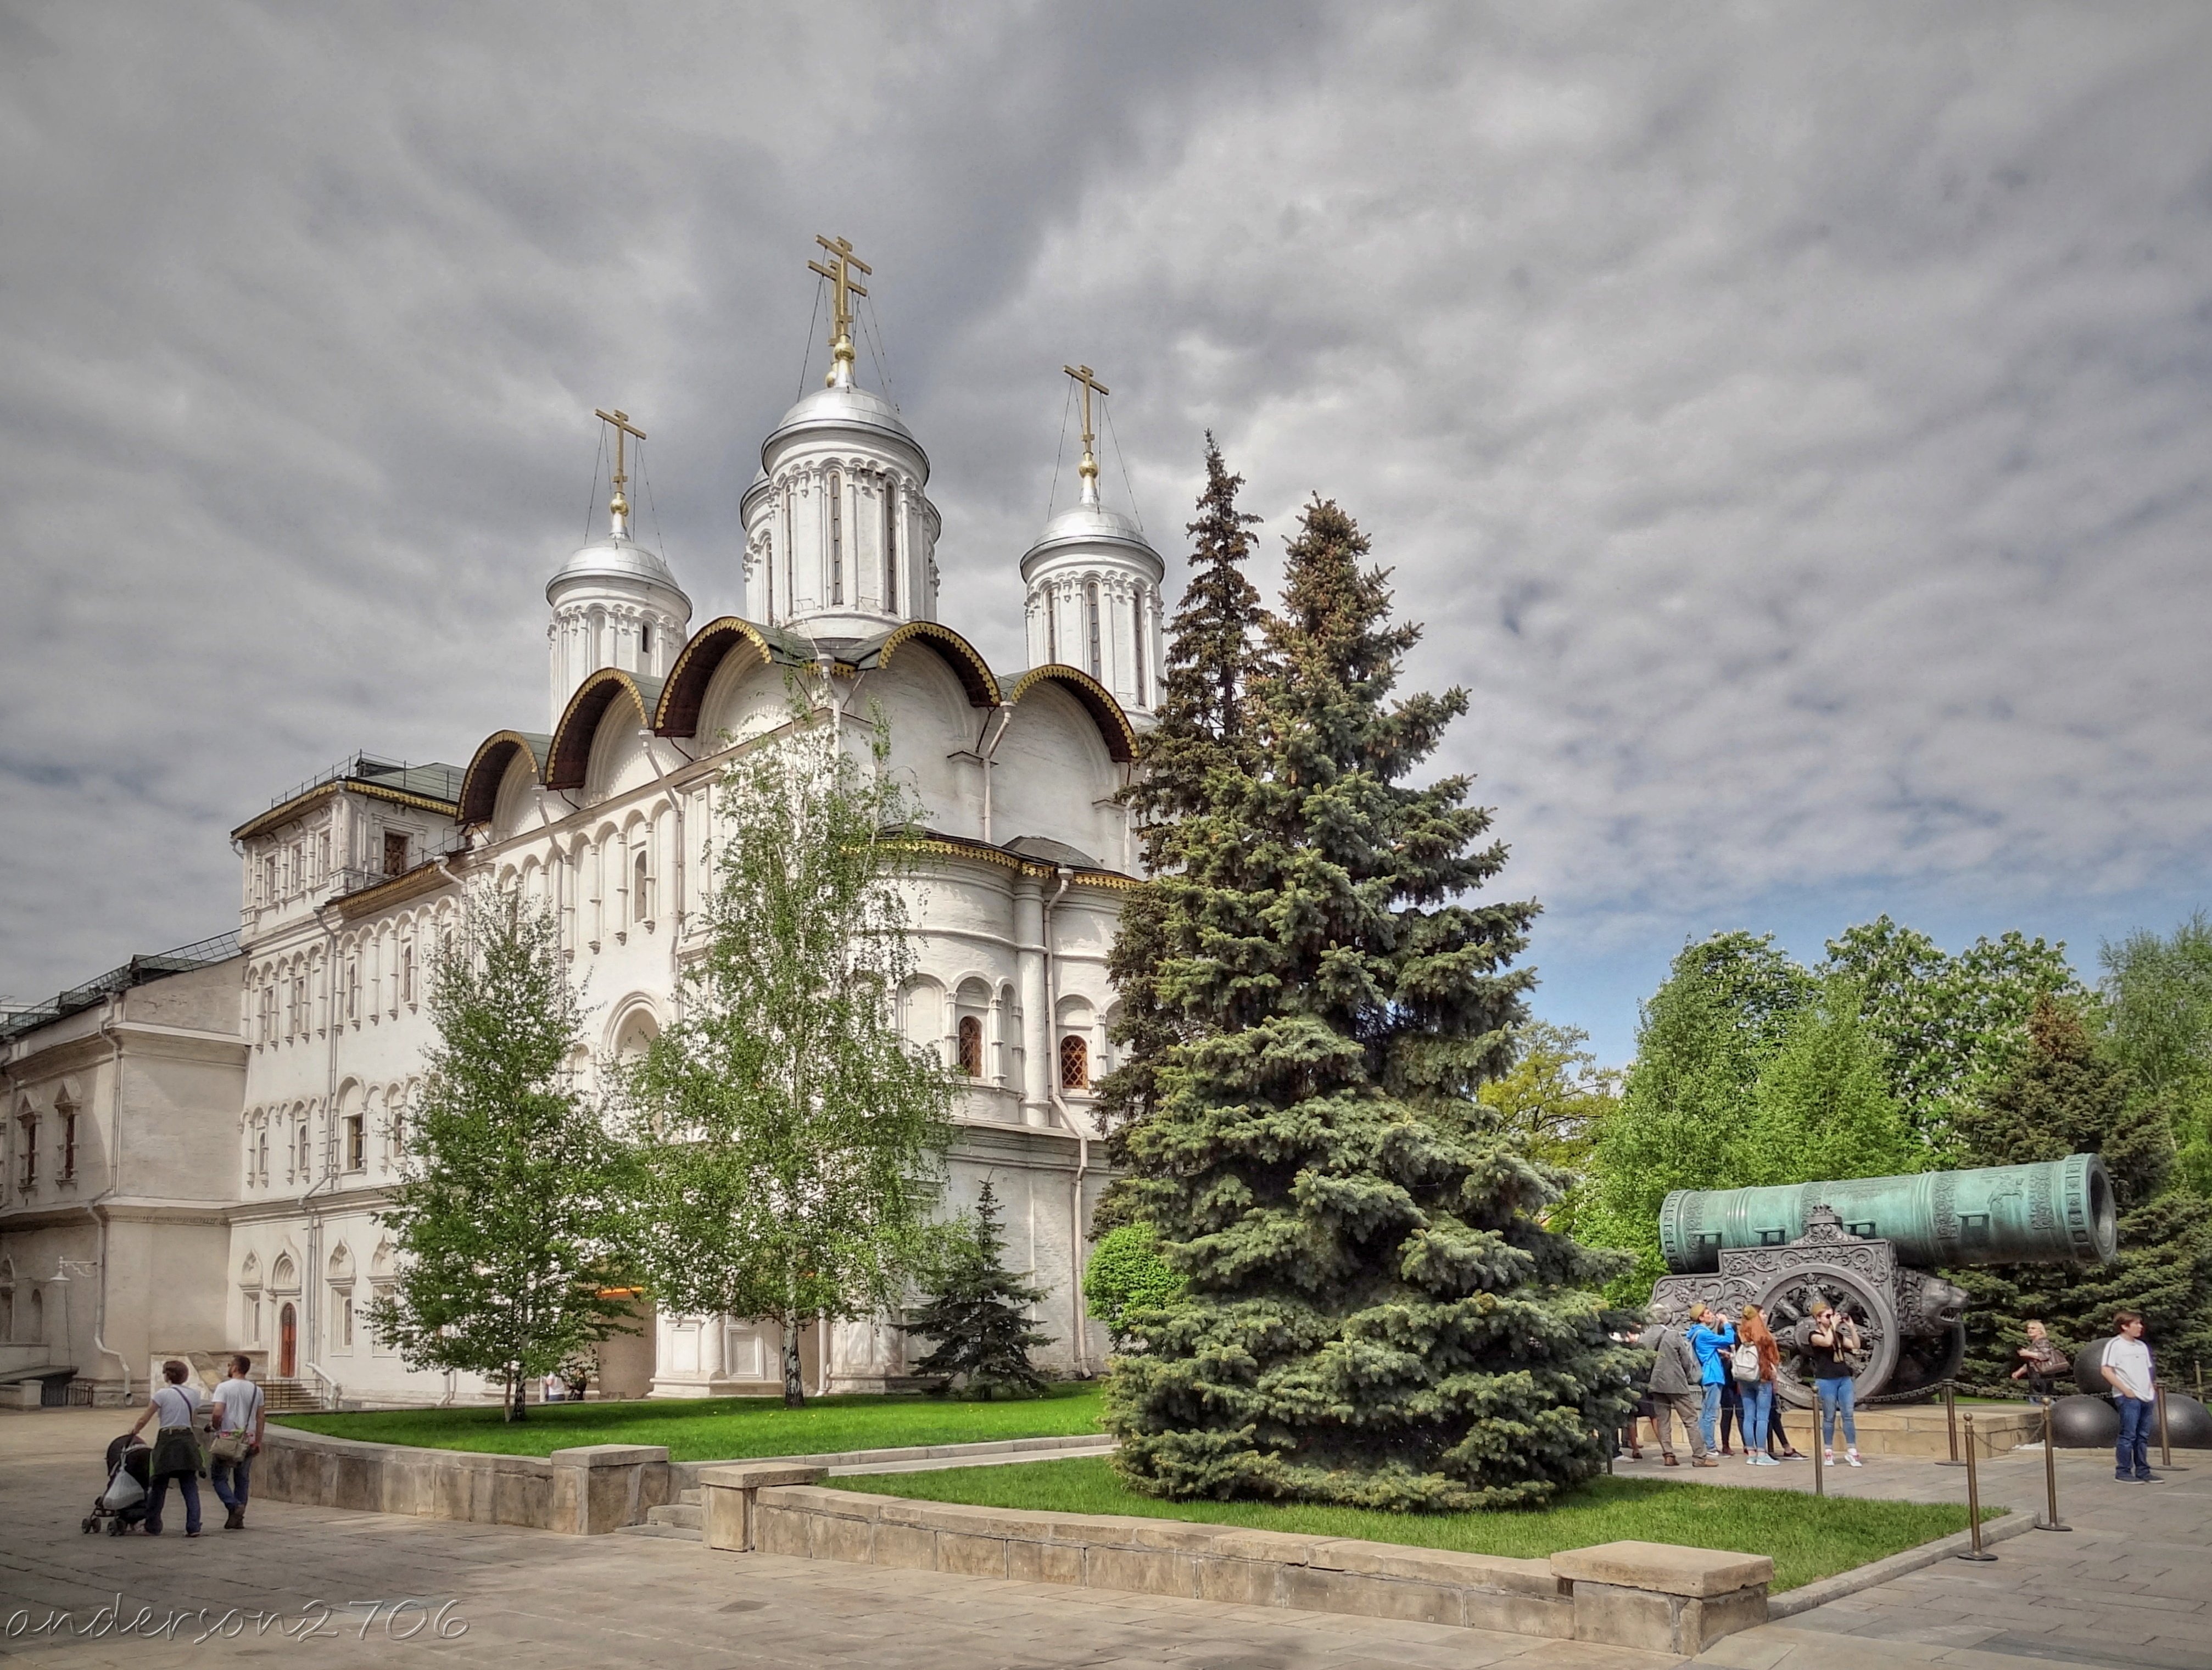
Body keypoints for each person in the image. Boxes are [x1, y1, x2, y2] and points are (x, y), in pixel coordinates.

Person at [128, 1359, 206, 1536]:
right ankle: (194, 1526)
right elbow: (193, 1420)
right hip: (187, 1438)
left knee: (159, 1483)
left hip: (168, 1439)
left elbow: (145, 1417)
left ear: (167, 1375)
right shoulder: (194, 1395)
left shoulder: (162, 1394)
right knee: (189, 1484)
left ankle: (153, 1524)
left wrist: (134, 1431)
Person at [1639, 1305, 1707, 1466]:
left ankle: (1668, 1455)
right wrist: (1691, 1378)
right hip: (1676, 1384)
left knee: (1663, 1421)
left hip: (1655, 1384)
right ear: (1667, 1318)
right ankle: (1700, 1457)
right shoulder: (1673, 1335)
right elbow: (1685, 1360)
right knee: (1690, 1419)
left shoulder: (1644, 1337)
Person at [1801, 1300, 1862, 1466]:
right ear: (1818, 1319)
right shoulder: (1814, 1335)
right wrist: (1834, 1327)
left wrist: (1851, 1328)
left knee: (1848, 1415)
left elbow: (1856, 1345)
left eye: (1832, 1315)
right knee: (1829, 1416)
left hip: (1843, 1378)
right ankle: (1829, 1451)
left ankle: (1852, 1451)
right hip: (1826, 1379)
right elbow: (1827, 1342)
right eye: (1828, 1316)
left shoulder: (1837, 1335)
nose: (1831, 1318)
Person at [208, 1354, 265, 1531]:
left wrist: (214, 1426)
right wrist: (258, 1441)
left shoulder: (224, 1388)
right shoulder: (257, 1390)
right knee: (242, 1479)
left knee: (219, 1477)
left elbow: (218, 1413)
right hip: (248, 1439)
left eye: (229, 1364)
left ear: (234, 1368)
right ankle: (238, 1518)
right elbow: (261, 1417)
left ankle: (233, 1506)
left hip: (227, 1438)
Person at [2102, 1309, 2159, 1483]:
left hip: (2146, 1397)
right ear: (2125, 1326)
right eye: (2136, 1324)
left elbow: (2147, 1370)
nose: (2140, 1327)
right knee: (2129, 1435)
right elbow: (2106, 1370)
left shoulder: (2142, 1347)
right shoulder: (2115, 1345)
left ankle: (2143, 1470)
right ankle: (2123, 1471)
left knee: (2142, 1436)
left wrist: (2151, 1388)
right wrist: (2126, 1390)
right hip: (2128, 1397)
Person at [1685, 1302, 1736, 1466]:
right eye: (1707, 1313)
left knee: (1706, 1413)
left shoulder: (1695, 1333)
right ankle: (1710, 1446)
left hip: (1706, 1375)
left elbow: (1705, 1349)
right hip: (1713, 1376)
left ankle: (1703, 1445)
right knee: (1711, 1414)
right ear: (1701, 1317)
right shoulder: (1704, 1333)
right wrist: (1726, 1323)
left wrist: (1718, 1352)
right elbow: (1729, 1339)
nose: (1711, 1315)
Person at [1735, 1304, 1782, 1466]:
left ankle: (1751, 1453)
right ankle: (1762, 1454)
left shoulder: (1741, 1333)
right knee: (1762, 1417)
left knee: (1749, 1416)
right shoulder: (1763, 1336)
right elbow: (1774, 1359)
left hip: (1744, 1377)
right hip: (1762, 1377)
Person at [2010, 1321, 2069, 1405]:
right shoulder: (2035, 1343)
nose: (2030, 1330)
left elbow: (2045, 1356)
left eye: (2033, 1328)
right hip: (2036, 1377)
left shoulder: (2042, 1342)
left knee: (2043, 1400)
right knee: (2038, 1399)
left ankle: (2055, 1414)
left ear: (2040, 1331)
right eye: (2029, 1328)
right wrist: (2019, 1372)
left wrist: (2028, 1353)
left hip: (2042, 1377)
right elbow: (2032, 1362)